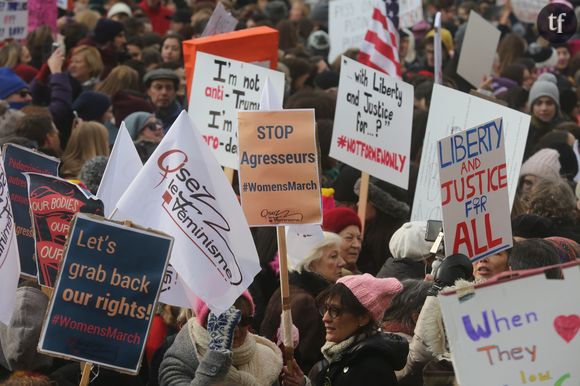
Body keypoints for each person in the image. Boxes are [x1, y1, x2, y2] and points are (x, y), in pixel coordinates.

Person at [281, 274, 408, 386]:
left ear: (363, 318)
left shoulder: (370, 368)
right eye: (325, 309)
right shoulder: (342, 355)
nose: (325, 318)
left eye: (335, 311)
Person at [261, 232, 344, 373]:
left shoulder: (290, 290)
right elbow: (305, 362)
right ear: (311, 263)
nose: (342, 262)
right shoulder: (305, 302)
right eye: (333, 256)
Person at [158, 292, 283, 386]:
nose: (236, 330)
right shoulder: (179, 361)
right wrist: (217, 354)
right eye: (224, 322)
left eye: (244, 320)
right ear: (206, 323)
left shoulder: (266, 358)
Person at [321, 208, 362, 275]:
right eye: (349, 238)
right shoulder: (314, 282)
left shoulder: (362, 282)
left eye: (359, 238)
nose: (357, 245)